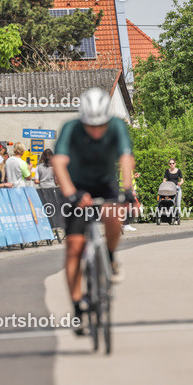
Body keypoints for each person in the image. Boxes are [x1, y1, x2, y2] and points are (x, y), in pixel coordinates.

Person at [52, 87, 138, 335]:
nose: (97, 130)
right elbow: (58, 162)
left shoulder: (116, 126)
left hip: (105, 184)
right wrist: (71, 194)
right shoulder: (71, 128)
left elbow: (126, 158)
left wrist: (128, 190)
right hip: (76, 187)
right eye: (91, 126)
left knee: (114, 213)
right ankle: (78, 308)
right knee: (74, 248)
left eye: (101, 125)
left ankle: (109, 256)